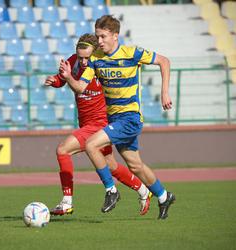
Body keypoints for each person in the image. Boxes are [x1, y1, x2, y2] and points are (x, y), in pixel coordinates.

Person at [59, 15, 176, 220]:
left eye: (103, 36)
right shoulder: (95, 59)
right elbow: (80, 88)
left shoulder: (132, 53)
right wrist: (68, 77)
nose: (99, 41)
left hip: (129, 118)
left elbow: (164, 61)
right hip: (114, 120)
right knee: (135, 166)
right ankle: (164, 196)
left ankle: (111, 190)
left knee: (91, 145)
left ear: (115, 35)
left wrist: (165, 92)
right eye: (97, 36)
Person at [45, 33, 152, 215]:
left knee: (62, 150)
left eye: (88, 57)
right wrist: (55, 80)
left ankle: (67, 201)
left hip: (100, 122)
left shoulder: (100, 66)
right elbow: (62, 78)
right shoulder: (74, 61)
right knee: (110, 166)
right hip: (86, 122)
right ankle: (144, 190)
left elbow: (79, 86)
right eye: (81, 57)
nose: (84, 62)